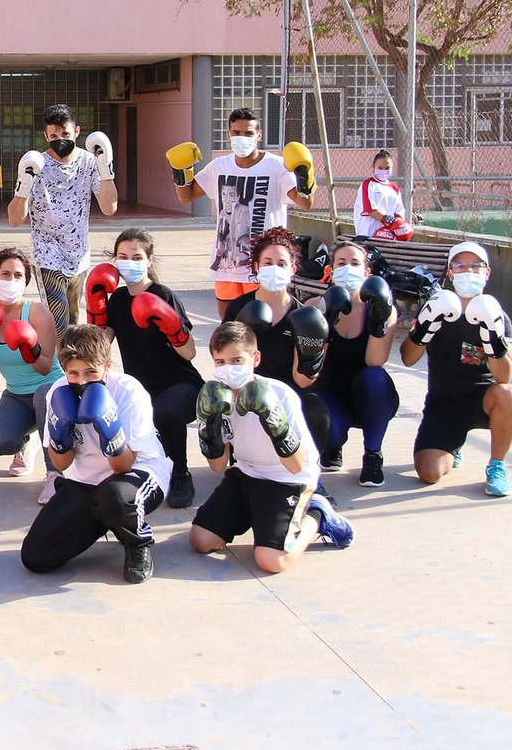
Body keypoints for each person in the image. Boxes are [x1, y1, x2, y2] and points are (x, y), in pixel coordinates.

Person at [189, 321, 355, 575]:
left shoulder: (279, 393)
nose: (228, 369)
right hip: (246, 473)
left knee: (271, 561)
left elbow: (297, 465)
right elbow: (218, 466)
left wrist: (275, 424)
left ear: (255, 359)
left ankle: (318, 516)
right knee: (201, 541)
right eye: (220, 362)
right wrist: (208, 428)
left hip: (287, 479)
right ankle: (259, 517)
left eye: (236, 360)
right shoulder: (216, 396)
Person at [19, 324, 171, 584]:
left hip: (138, 473)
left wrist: (108, 430)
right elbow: (61, 464)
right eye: (73, 374)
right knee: (36, 557)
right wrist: (59, 434)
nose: (81, 381)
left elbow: (123, 465)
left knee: (115, 498)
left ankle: (138, 542)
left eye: (91, 373)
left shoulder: (129, 392)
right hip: (86, 481)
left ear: (107, 366)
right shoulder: (57, 392)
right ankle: (105, 519)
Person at [167, 107, 315, 318]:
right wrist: (180, 172)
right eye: (236, 133)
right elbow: (186, 196)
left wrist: (304, 176)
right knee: (229, 327)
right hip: (226, 263)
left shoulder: (276, 166)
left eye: (248, 133)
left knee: (265, 326)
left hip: (264, 264)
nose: (242, 138)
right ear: (229, 134)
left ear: (259, 135)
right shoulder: (219, 166)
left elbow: (305, 202)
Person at [401, 242, 512, 497]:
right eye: (461, 266)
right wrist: (424, 328)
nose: (469, 271)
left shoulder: (496, 314)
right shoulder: (436, 308)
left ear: (486, 273)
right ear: (451, 272)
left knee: (507, 394)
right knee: (429, 473)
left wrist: (493, 337)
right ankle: (454, 445)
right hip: (443, 404)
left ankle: (497, 465)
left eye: (476, 266)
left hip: (483, 402)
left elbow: (505, 376)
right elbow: (408, 359)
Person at [224, 227, 335, 499]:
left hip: (289, 392)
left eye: (282, 263)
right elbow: (226, 364)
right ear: (256, 267)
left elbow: (304, 380)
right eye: (268, 263)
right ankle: (244, 470)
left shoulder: (304, 315)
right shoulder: (239, 307)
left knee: (317, 411)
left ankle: (310, 478)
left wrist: (311, 350)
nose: (274, 269)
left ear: (293, 268)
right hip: (246, 390)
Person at [91, 228, 199, 508]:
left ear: (149, 261)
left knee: (165, 410)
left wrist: (171, 327)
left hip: (181, 385)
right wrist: (96, 311)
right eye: (122, 257)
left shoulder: (163, 294)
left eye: (136, 257)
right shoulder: (117, 299)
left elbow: (189, 353)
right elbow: (100, 348)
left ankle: (181, 473)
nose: (129, 263)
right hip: (142, 388)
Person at [7, 104, 119, 327]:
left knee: (72, 321)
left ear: (77, 131)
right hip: (47, 254)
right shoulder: (36, 165)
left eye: (66, 134)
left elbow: (109, 207)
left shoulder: (89, 161)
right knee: (58, 325)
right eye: (54, 135)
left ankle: (66, 362)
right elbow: (14, 219)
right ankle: (55, 362)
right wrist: (24, 185)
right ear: (45, 136)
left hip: (78, 255)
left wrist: (105, 168)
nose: (61, 140)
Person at [308, 240, 400, 486]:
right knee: (323, 420)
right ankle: (333, 445)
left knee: (375, 378)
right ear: (331, 269)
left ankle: (373, 454)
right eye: (341, 263)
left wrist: (379, 320)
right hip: (328, 391)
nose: (348, 268)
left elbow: (375, 360)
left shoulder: (382, 309)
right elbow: (312, 365)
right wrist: (325, 321)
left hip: (367, 397)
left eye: (355, 263)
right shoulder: (313, 307)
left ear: (366, 272)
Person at [0, 247, 62, 499]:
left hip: (51, 391)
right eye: (5, 274)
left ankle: (55, 475)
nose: (10, 281)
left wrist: (28, 346)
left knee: (44, 394)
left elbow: (45, 367)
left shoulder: (37, 312)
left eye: (18, 276)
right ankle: (27, 442)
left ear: (25, 281)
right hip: (17, 395)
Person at [355, 149, 413, 241]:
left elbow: (399, 215)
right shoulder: (368, 184)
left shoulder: (395, 190)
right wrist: (390, 221)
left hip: (388, 238)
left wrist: (401, 227)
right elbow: (371, 210)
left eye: (387, 168)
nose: (383, 171)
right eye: (380, 168)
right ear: (373, 167)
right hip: (368, 234)